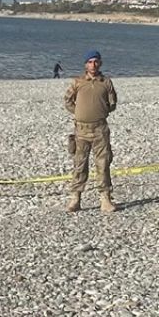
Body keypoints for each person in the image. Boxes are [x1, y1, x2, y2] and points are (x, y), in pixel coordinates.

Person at [63, 50, 118, 213]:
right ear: (85, 64)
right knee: (79, 164)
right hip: (81, 130)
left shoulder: (106, 82)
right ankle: (75, 198)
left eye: (96, 61)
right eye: (90, 62)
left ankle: (105, 199)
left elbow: (112, 104)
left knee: (103, 164)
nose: (93, 65)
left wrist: (99, 112)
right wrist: (80, 112)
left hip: (100, 129)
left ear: (100, 63)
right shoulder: (78, 82)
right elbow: (67, 101)